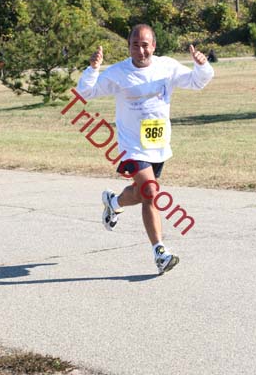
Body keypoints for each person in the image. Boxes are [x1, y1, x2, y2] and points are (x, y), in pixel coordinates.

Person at [77, 24, 214, 275]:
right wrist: (93, 69)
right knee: (150, 192)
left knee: (142, 194)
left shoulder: (167, 67)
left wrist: (201, 65)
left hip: (158, 144)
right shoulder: (118, 72)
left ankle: (114, 201)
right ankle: (160, 252)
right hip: (130, 146)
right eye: (135, 45)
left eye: (145, 45)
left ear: (154, 46)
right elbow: (86, 92)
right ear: (129, 47)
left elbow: (197, 82)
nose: (140, 50)